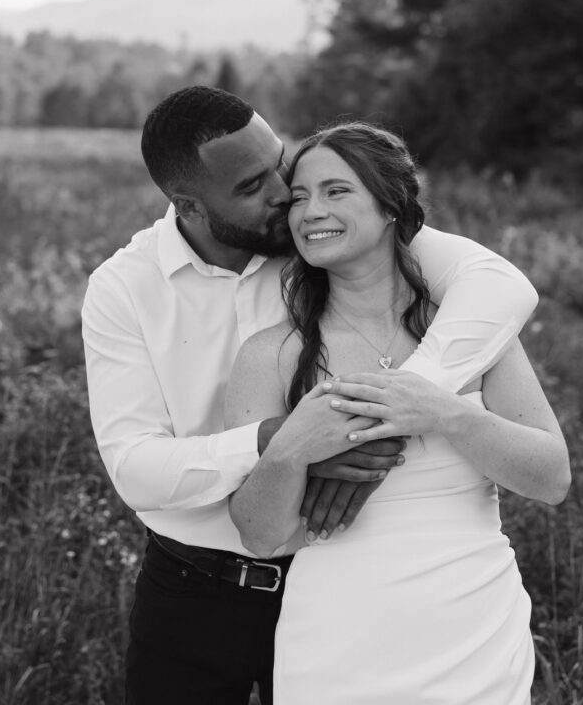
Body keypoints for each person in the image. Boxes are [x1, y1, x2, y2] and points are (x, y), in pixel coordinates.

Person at [82, 87, 540, 705]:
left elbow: (499, 285)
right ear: (188, 204)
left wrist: (396, 407)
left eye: (281, 163)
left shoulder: (326, 235)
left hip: (330, 575)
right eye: (251, 187)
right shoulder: (124, 288)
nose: (283, 193)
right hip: (196, 585)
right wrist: (283, 442)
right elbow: (136, 468)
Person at [225, 121, 571, 705]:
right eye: (300, 197)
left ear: (390, 206)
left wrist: (444, 413)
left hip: (475, 626)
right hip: (339, 643)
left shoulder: (471, 334)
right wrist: (292, 447)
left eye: (336, 191)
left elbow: (552, 478)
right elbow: (260, 536)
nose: (311, 211)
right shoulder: (270, 355)